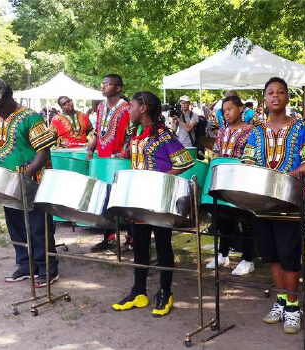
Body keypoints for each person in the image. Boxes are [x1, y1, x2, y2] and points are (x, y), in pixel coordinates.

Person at [242, 77, 305, 334]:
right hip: (263, 203)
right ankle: (281, 300)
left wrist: (293, 174)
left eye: (280, 92)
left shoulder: (301, 128)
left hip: (289, 202)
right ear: (264, 98)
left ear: (288, 97)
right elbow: (248, 161)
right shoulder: (256, 131)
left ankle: (293, 307)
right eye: (270, 93)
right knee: (272, 256)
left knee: (289, 258)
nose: (275, 96)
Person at [111, 91, 194, 316]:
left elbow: (186, 161)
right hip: (139, 198)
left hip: (158, 199)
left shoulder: (163, 135)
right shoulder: (137, 133)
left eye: (132, 106)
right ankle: (139, 292)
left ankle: (165, 292)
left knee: (163, 244)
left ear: (144, 108)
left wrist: (161, 180)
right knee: (139, 244)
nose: (129, 110)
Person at [0, 78, 59, 288]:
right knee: (15, 226)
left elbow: (43, 151)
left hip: (33, 182)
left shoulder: (30, 118)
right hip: (6, 184)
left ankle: (47, 268)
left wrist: (26, 175)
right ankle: (25, 264)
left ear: (8, 96)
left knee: (38, 228)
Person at [205, 95, 255, 275]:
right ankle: (222, 254)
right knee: (223, 217)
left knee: (246, 218)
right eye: (224, 111)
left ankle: (248, 259)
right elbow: (217, 152)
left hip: (242, 179)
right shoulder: (222, 131)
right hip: (224, 179)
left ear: (241, 109)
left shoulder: (251, 131)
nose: (226, 114)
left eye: (230, 109)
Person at [86, 74, 131, 252]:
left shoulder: (127, 108)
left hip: (121, 161)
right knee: (104, 198)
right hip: (103, 160)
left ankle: (132, 238)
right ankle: (109, 237)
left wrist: (125, 153)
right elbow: (98, 131)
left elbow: (132, 134)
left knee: (122, 199)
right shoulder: (101, 107)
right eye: (102, 84)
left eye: (107, 84)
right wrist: (91, 148)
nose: (102, 87)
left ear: (118, 88)